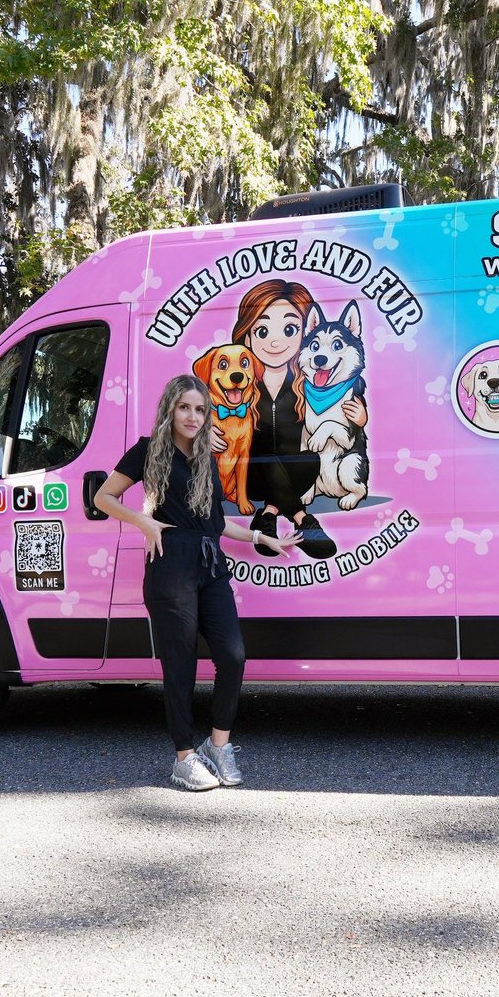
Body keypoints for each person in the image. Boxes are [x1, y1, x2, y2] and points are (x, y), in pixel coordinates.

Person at [95, 374, 301, 790]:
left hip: (210, 566)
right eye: (184, 407)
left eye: (200, 409)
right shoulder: (147, 449)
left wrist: (263, 538)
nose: (192, 416)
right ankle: (184, 756)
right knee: (180, 665)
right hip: (170, 565)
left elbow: (218, 524)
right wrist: (143, 520)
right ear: (170, 409)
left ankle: (217, 746)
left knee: (233, 654)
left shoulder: (206, 457)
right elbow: (103, 497)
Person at [230, 279, 368, 560]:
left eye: (290, 329)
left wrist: (361, 417)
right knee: (258, 448)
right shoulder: (240, 382)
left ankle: (268, 516)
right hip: (251, 472)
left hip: (295, 475)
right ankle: (302, 519)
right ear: (247, 334)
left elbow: (342, 412)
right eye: (263, 330)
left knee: (309, 459)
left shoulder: (308, 385)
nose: (276, 341)